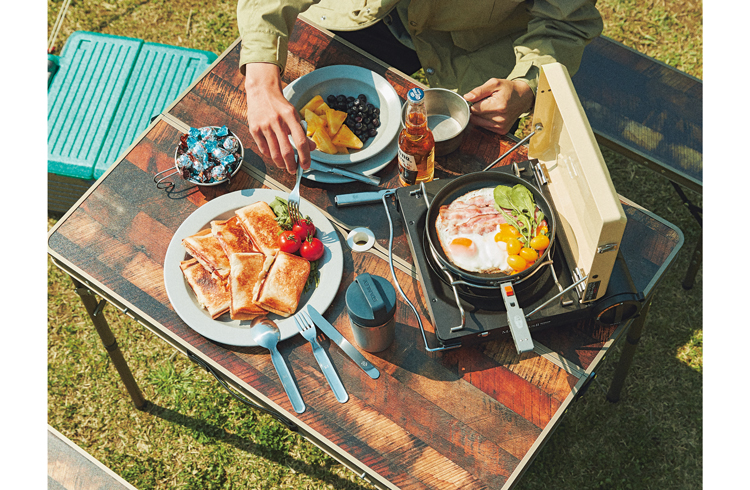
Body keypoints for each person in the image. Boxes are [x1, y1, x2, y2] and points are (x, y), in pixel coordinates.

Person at [237, 0, 603, 174]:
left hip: (477, 49)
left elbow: (566, 23)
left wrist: (524, 87)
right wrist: (259, 83)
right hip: (365, 16)